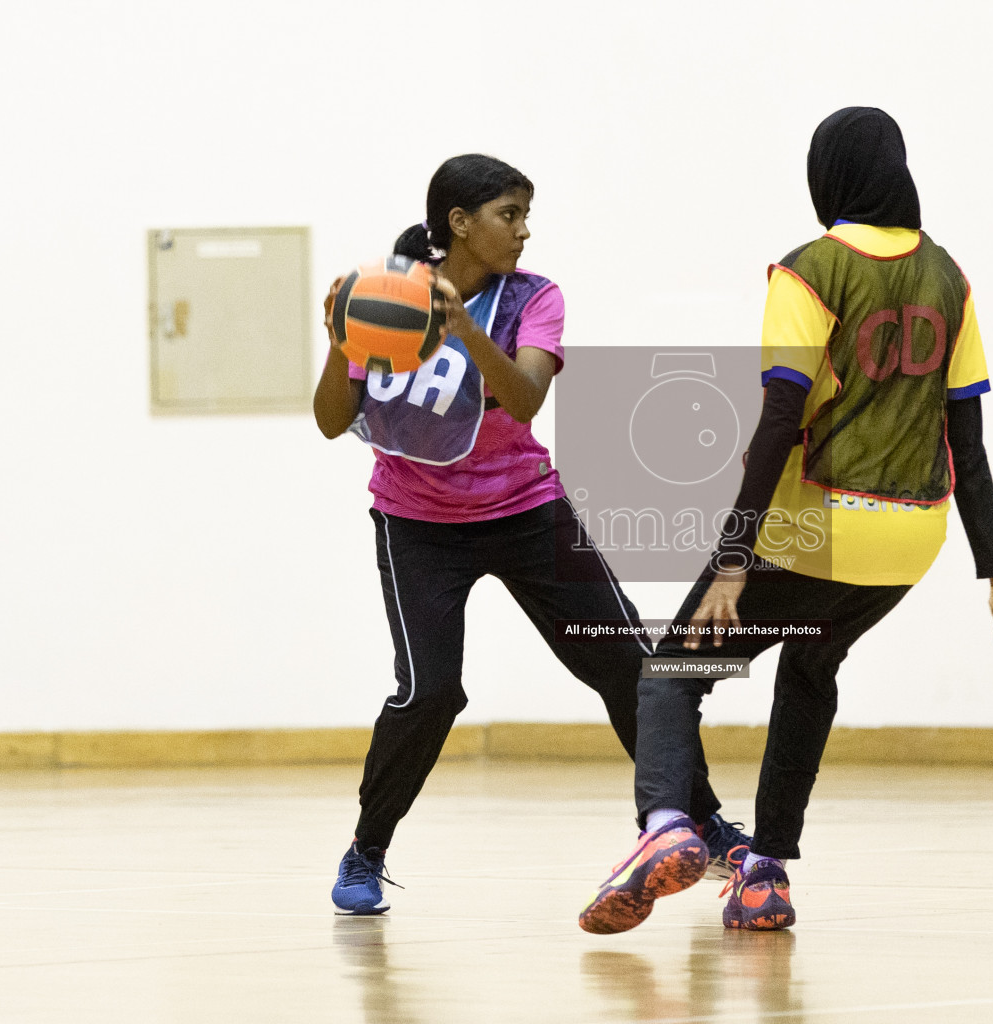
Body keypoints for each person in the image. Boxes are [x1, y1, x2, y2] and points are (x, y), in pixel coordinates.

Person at [578, 108, 993, 935]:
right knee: (809, 673)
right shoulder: (950, 277)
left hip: (818, 526)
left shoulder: (809, 270)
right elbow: (965, 444)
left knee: (668, 675)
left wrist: (733, 559)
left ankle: (664, 830)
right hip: (911, 539)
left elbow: (777, 424)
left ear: (826, 175)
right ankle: (764, 874)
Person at [313, 154, 749, 916]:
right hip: (417, 526)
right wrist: (340, 341)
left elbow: (523, 400)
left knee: (634, 669)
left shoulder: (534, 298)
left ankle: (701, 825)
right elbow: (327, 423)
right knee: (429, 693)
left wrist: (460, 329)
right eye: (507, 216)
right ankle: (367, 849)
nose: (522, 231)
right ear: (459, 222)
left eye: (524, 216)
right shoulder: (386, 296)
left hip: (525, 510)